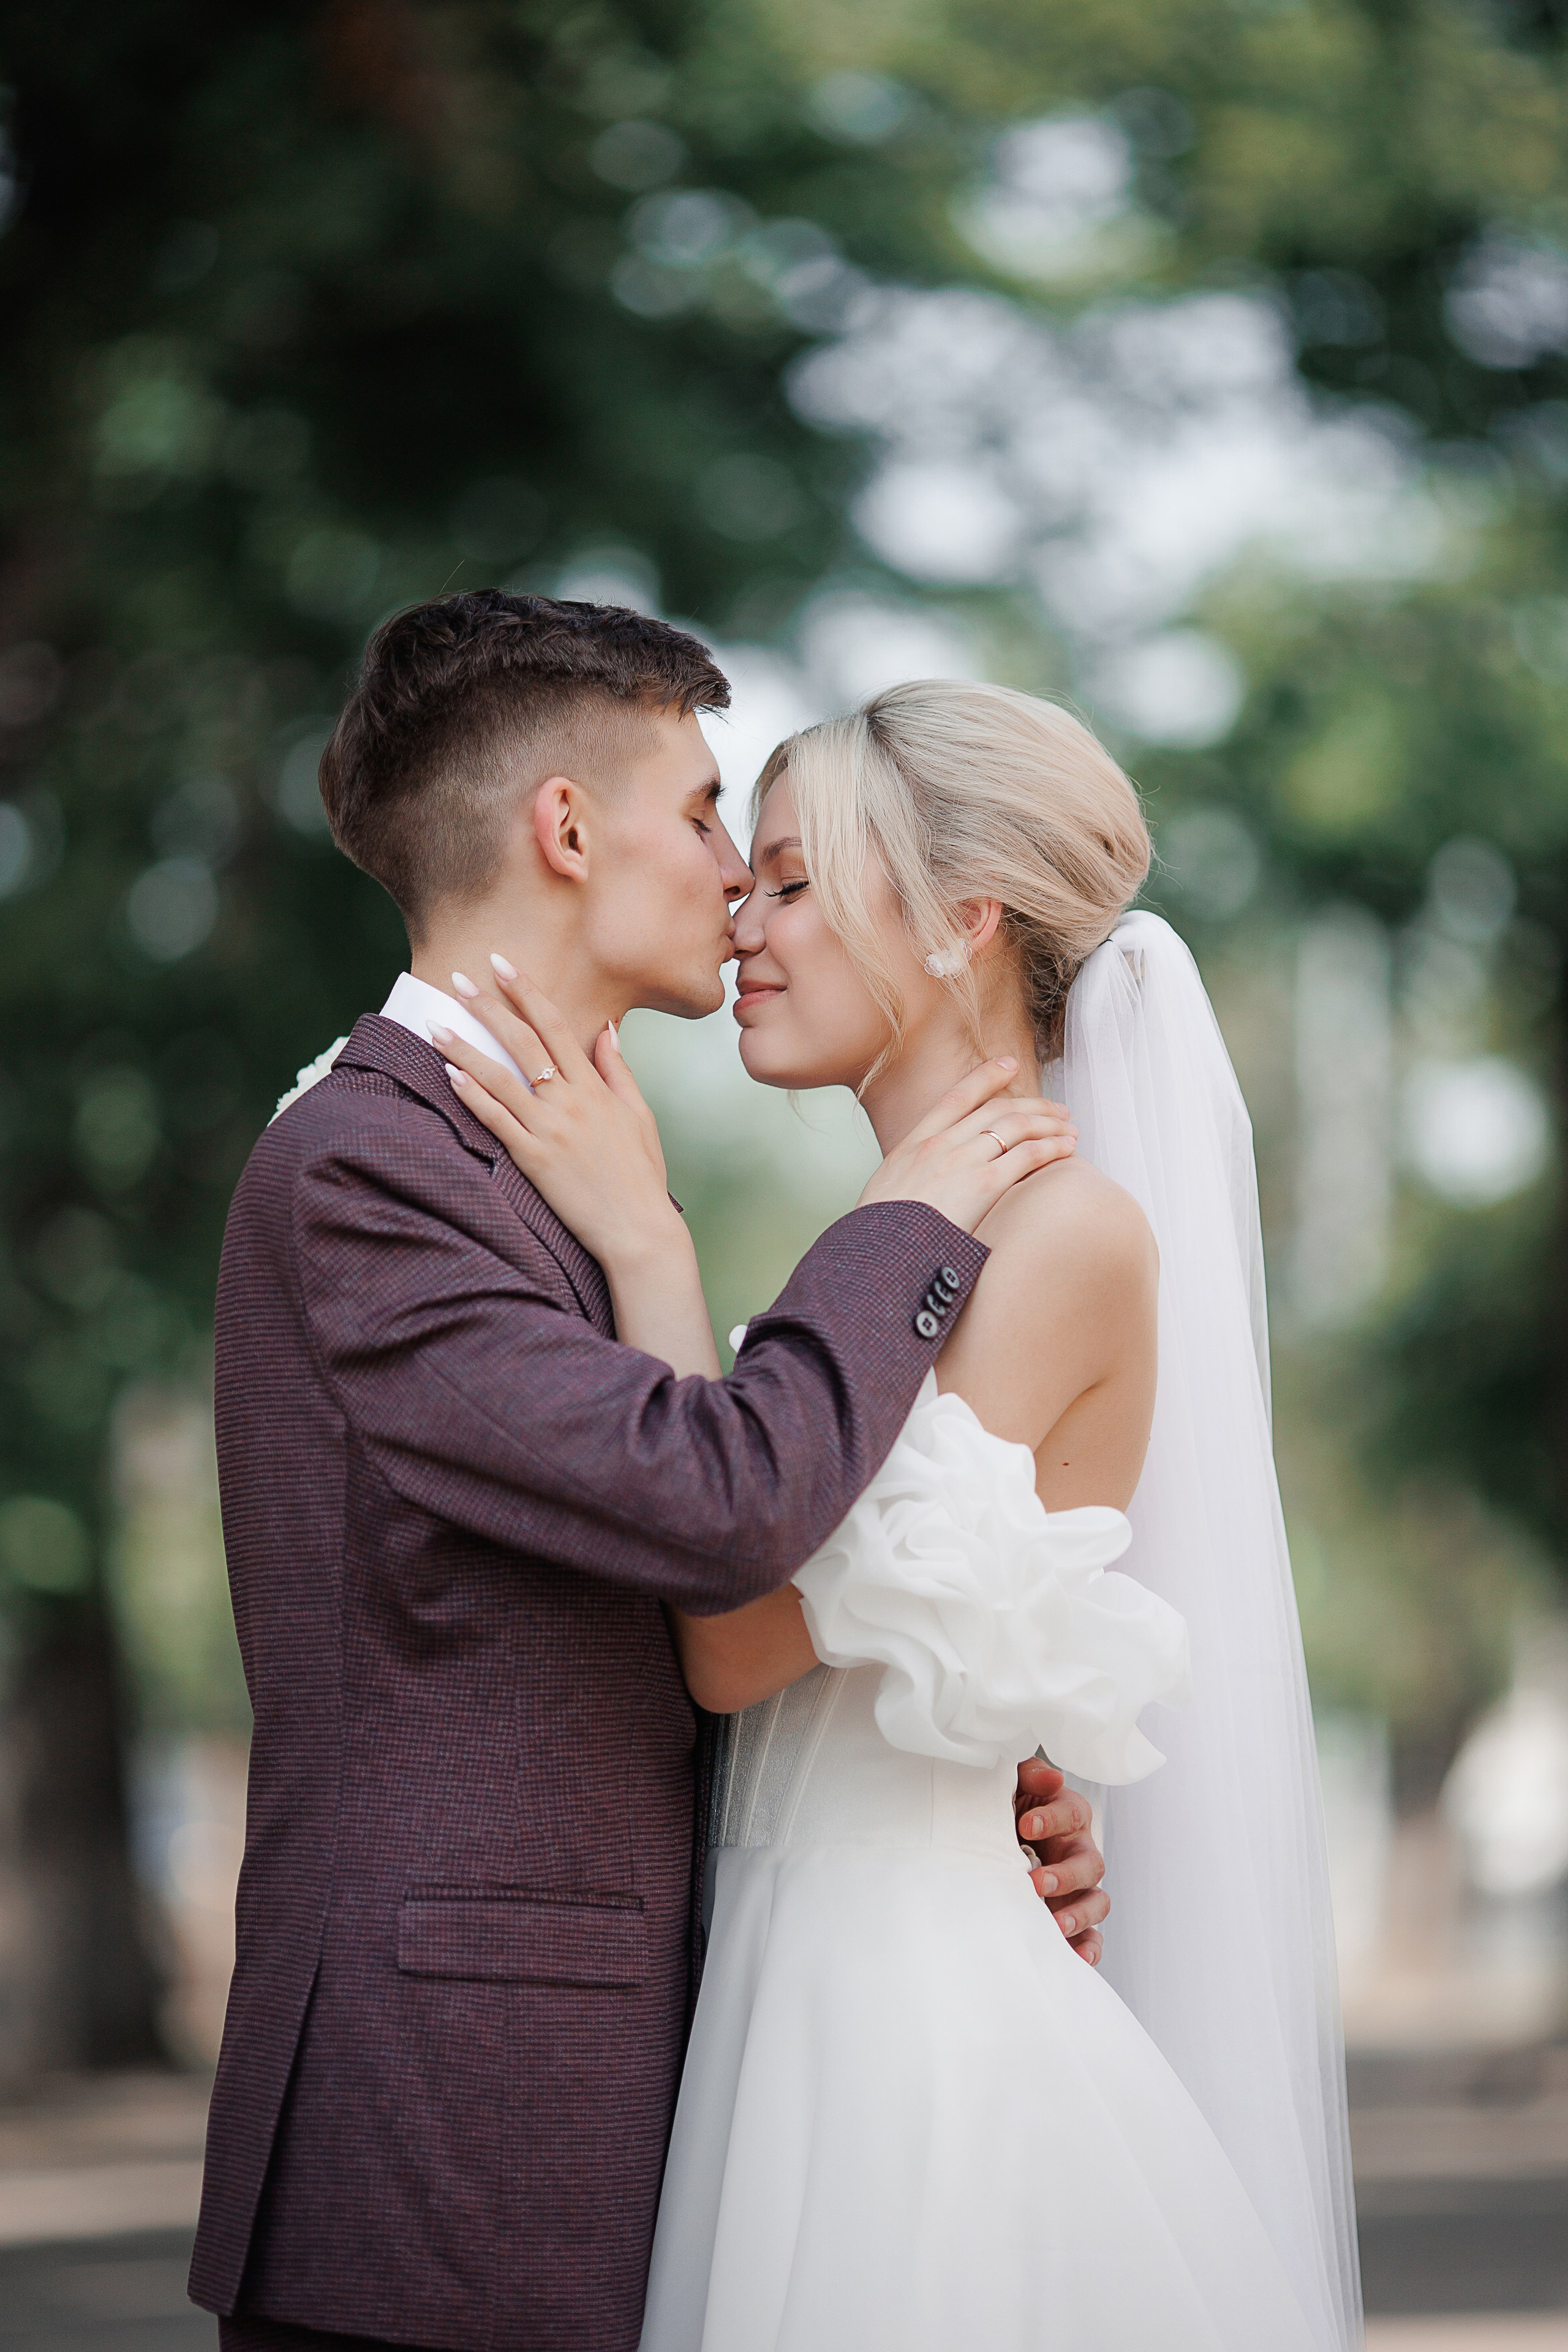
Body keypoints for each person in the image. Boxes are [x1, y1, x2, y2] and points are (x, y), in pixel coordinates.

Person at [189, 594, 1107, 2352]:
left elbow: (641, 1619)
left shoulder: (530, 1158)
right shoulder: (369, 1171)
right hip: (450, 2134)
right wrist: (910, 1213)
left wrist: (949, 1789)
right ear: (563, 830)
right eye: (700, 817)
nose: (731, 878)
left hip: (594, 2093)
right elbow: (721, 1500)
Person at [440, 678, 1365, 2350]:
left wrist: (647, 1254)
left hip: (907, 2031)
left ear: (960, 925)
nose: (742, 921)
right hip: (804, 1982)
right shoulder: (905, 1234)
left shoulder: (1062, 1237)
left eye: (793, 881)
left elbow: (732, 1642)